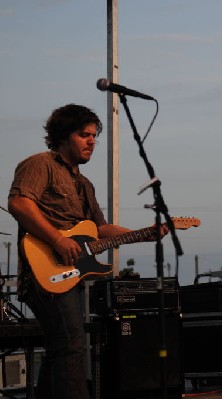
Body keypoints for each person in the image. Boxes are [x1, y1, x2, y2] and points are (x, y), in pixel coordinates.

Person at [8, 104, 166, 399]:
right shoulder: (40, 164)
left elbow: (101, 230)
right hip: (42, 273)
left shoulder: (84, 184)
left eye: (94, 135)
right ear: (63, 136)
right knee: (72, 347)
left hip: (70, 276)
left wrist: (143, 235)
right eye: (84, 135)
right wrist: (57, 240)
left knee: (61, 350)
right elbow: (19, 203)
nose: (92, 141)